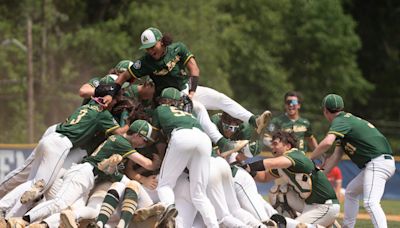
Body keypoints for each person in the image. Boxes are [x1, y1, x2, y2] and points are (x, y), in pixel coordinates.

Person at [99, 27, 271, 152]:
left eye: (153, 46)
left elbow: (194, 69)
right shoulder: (145, 62)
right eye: (147, 48)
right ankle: (222, 143)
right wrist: (110, 94)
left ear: (161, 41)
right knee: (199, 108)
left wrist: (192, 92)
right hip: (168, 99)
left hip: (187, 89)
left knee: (219, 97)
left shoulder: (177, 48)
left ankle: (252, 120)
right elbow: (123, 77)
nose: (150, 51)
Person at [3, 120, 161, 228]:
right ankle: (21, 220)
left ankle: (41, 225)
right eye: (145, 140)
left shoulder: (118, 142)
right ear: (137, 135)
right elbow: (146, 163)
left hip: (88, 177)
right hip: (83, 173)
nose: (144, 144)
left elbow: (112, 173)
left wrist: (129, 179)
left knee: (85, 213)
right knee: (60, 203)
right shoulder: (122, 142)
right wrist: (155, 163)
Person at [0, 94, 127, 219]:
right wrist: (131, 123)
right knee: (38, 186)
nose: (114, 102)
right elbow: (120, 133)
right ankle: (5, 209)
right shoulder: (103, 115)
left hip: (55, 138)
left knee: (33, 183)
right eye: (115, 99)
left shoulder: (89, 105)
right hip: (66, 148)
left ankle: (9, 215)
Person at [309, 94, 396, 228]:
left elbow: (327, 143)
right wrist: (319, 176)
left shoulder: (340, 121)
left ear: (325, 111)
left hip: (377, 162)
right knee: (350, 192)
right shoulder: (346, 122)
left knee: (370, 202)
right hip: (379, 163)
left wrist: (309, 158)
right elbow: (336, 156)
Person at [152, 87, 219, 228]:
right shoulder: (189, 114)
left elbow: (154, 135)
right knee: (199, 194)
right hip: (203, 139)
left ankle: (169, 208)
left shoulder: (161, 109)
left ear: (164, 101)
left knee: (164, 184)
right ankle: (214, 226)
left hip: (182, 136)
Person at [247, 130, 340, 227]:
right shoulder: (283, 163)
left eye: (275, 144)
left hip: (325, 206)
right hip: (310, 204)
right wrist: (248, 171)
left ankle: (322, 223)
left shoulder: (295, 155)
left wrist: (247, 166)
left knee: (294, 226)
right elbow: (264, 177)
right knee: (278, 193)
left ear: (288, 146)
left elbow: (269, 163)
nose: (272, 147)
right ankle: (310, 222)